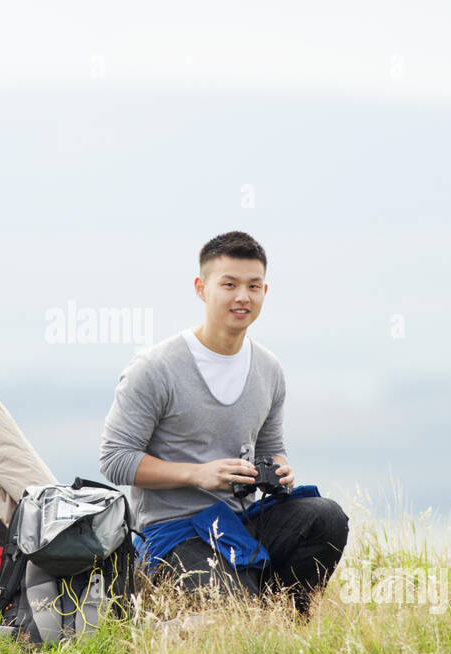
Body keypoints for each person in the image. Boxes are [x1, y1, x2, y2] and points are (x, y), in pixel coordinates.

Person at [98, 230, 348, 613]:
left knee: (326, 517)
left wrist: (278, 469)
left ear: (265, 291)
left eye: (253, 286)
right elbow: (115, 460)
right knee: (236, 616)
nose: (242, 297)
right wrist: (197, 474)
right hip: (171, 532)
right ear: (201, 288)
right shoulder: (154, 368)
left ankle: (291, 617)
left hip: (242, 519)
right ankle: (245, 603)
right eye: (228, 284)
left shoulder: (268, 368)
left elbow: (270, 448)